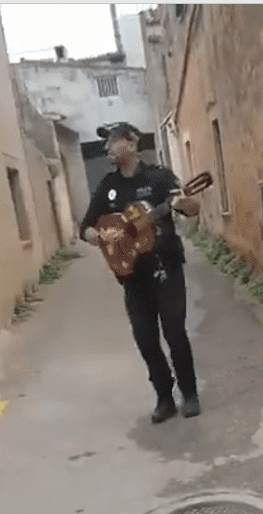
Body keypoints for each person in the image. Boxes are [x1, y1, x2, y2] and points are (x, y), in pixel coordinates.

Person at [79, 122, 203, 423]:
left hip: (166, 267)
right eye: (107, 143)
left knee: (175, 334)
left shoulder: (158, 177)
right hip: (132, 275)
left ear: (131, 144)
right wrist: (101, 237)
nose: (107, 148)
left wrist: (182, 201)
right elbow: (85, 227)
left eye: (112, 142)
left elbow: (193, 207)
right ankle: (164, 397)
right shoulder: (108, 186)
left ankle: (189, 393)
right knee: (145, 339)